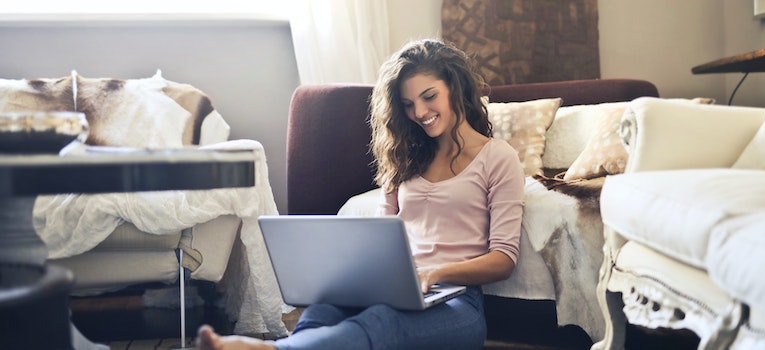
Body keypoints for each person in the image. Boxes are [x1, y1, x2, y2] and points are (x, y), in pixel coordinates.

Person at [197, 38, 525, 350]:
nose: (420, 112)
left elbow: (503, 260)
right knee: (323, 310)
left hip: (457, 304)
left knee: (380, 321)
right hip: (394, 290)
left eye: (429, 96)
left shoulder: (497, 157)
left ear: (455, 87)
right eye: (408, 104)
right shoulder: (407, 156)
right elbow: (381, 242)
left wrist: (434, 273)